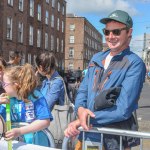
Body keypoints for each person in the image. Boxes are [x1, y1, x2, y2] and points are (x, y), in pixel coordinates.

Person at [64, 10, 146, 150]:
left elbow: (123, 108)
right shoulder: (96, 58)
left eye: (116, 32)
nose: (110, 36)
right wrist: (81, 110)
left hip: (114, 139)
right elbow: (83, 91)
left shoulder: (134, 63)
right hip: (88, 134)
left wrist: (83, 120)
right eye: (107, 32)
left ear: (129, 32)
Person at [0, 64, 52, 142]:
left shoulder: (35, 96)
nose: (2, 86)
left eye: (4, 84)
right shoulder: (6, 100)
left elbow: (45, 121)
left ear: (16, 84)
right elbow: (1, 125)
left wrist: (20, 131)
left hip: (36, 144)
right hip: (16, 144)